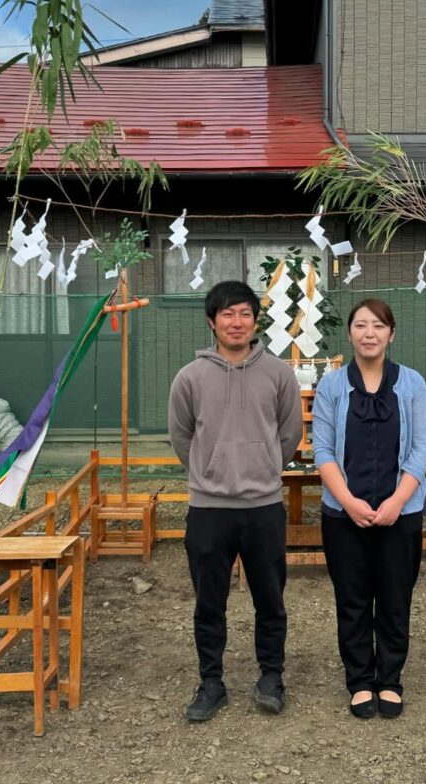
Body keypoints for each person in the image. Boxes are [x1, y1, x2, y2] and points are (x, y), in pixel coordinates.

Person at [169, 280, 303, 722]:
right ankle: (211, 681)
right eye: (227, 314)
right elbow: (182, 436)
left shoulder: (279, 374)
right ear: (212, 322)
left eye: (244, 313)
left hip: (263, 506)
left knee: (270, 599)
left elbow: (290, 433)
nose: (236, 322)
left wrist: (264, 467)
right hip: (208, 508)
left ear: (255, 319)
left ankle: (271, 675)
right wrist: (208, 471)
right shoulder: (190, 377)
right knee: (210, 601)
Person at [312, 298, 426, 719]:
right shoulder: (331, 386)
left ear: (391, 334)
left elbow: (421, 450)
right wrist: (347, 501)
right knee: (352, 599)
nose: (369, 333)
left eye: (378, 326)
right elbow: (322, 450)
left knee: (396, 598)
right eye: (361, 325)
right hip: (343, 516)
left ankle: (390, 680)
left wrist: (399, 501)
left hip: (401, 515)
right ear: (350, 334)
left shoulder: (413, 384)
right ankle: (360, 680)